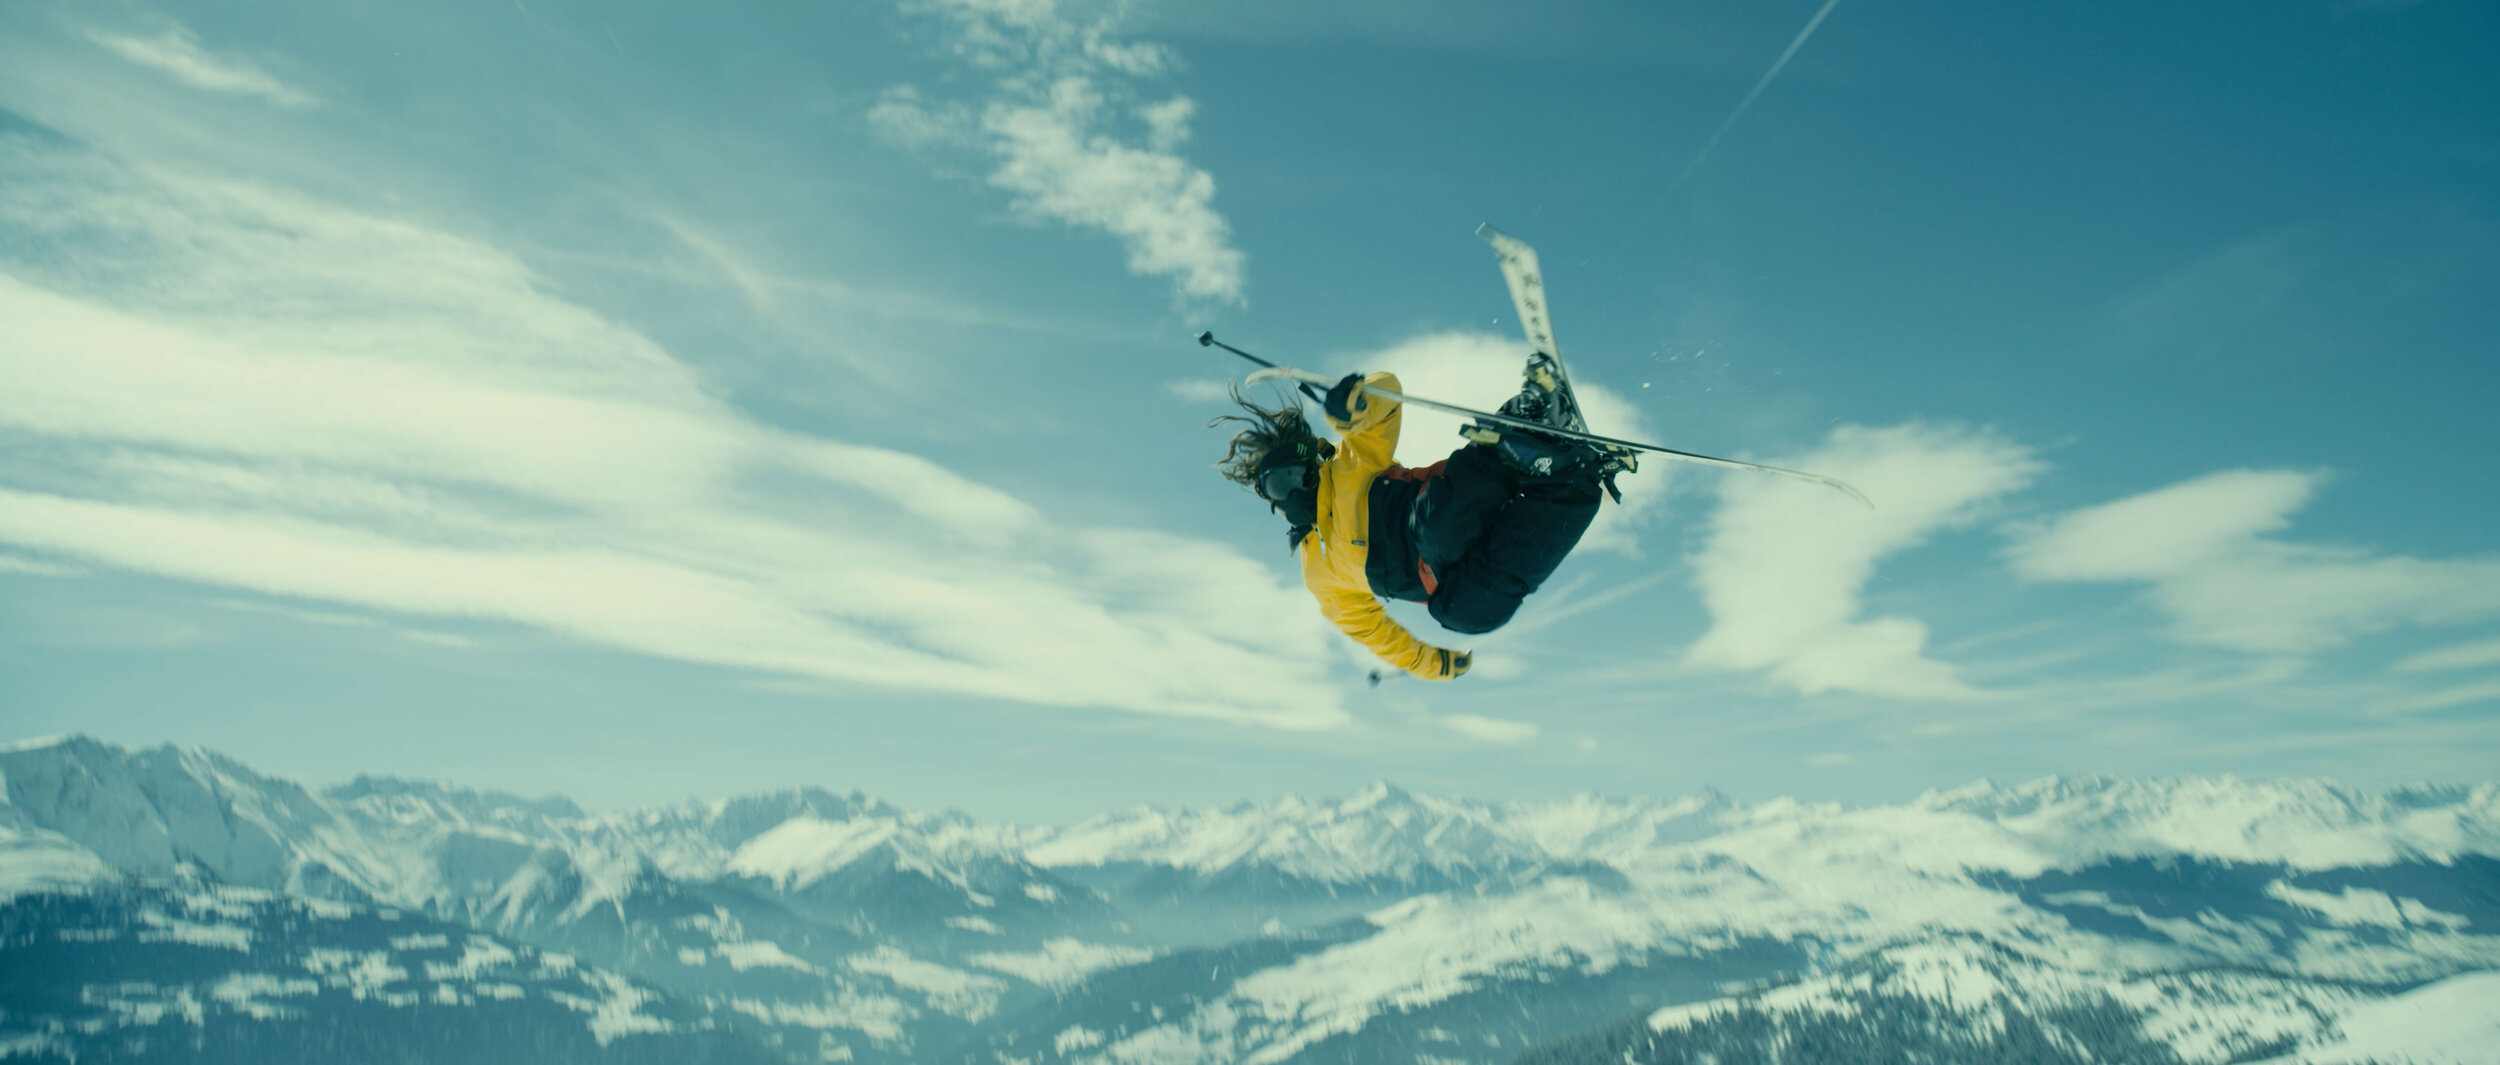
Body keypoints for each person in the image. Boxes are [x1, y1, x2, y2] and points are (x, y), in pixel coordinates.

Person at [1211, 356, 1630, 681]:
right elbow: (1377, 635)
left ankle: (1526, 421)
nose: (1296, 489)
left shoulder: (1349, 464)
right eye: (1280, 485)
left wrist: (1360, 407)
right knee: (1467, 615)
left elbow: (1387, 398)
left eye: (1298, 474)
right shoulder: (1320, 576)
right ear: (1271, 499)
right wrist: (1436, 665)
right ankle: (1572, 482)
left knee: (1437, 532)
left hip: (1448, 511)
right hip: (1449, 575)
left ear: (1313, 463)